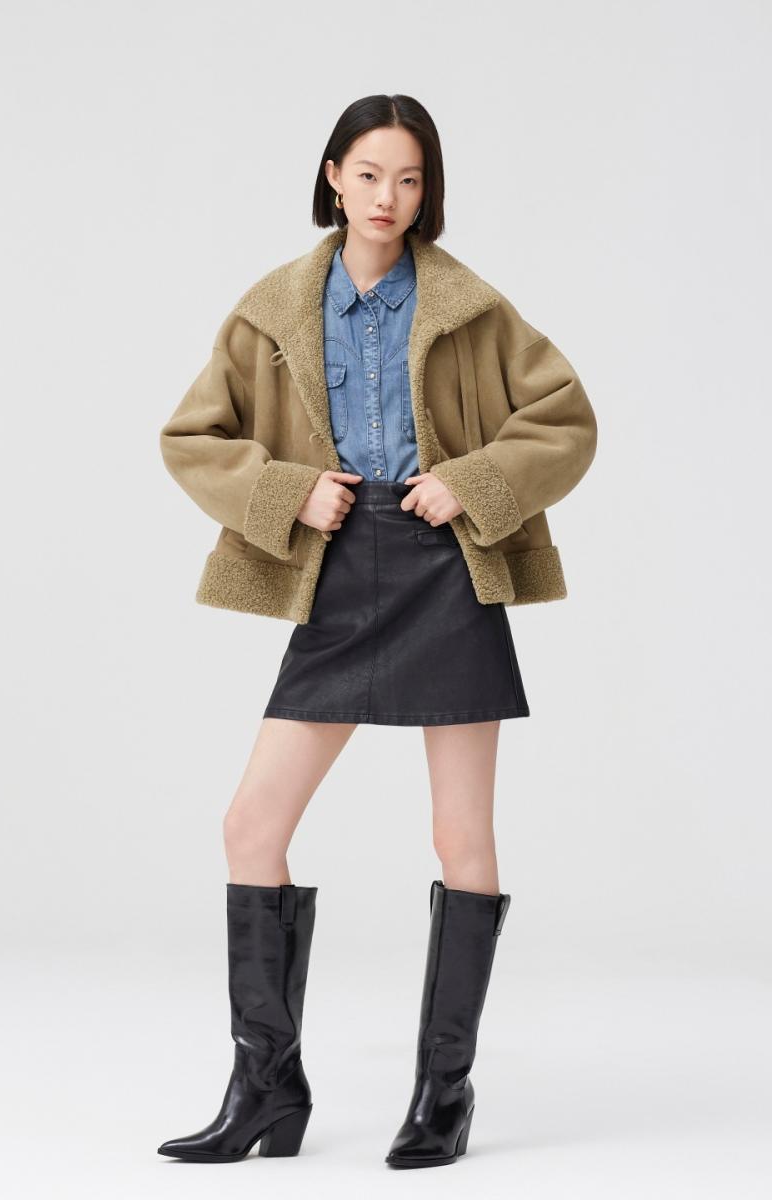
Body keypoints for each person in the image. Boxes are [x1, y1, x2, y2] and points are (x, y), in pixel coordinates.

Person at [156, 93, 597, 1169]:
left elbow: (564, 420)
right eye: (367, 175)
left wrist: (472, 483)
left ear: (425, 188)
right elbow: (192, 436)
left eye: (407, 178)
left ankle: (443, 1094)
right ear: (332, 177)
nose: (386, 198)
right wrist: (287, 491)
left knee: (460, 838)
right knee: (250, 825)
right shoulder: (271, 311)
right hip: (336, 569)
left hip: (446, 570)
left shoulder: (470, 307)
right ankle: (267, 1086)